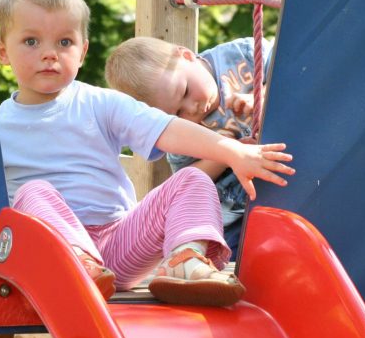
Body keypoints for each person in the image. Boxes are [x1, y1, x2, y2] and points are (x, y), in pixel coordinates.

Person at [0, 0, 294, 307]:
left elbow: (167, 129)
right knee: (33, 192)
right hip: (56, 254)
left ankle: (185, 260)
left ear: (83, 52)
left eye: (65, 42)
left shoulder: (101, 103)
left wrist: (234, 152)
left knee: (191, 178)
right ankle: (74, 265)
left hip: (119, 246)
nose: (50, 54)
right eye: (31, 41)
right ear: (2, 52)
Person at [105, 35, 273, 258]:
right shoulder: (179, 135)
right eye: (177, 113)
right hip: (234, 214)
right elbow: (188, 178)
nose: (191, 109)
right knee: (233, 257)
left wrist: (261, 96)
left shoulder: (241, 55)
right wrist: (227, 153)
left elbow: (293, 68)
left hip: (280, 175)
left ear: (185, 55)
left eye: (185, 91)